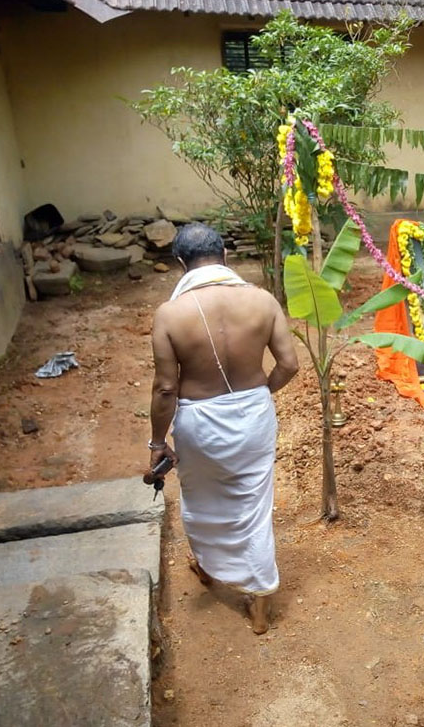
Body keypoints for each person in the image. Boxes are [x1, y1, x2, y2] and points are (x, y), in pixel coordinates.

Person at [147, 223, 299, 635]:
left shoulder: (170, 314)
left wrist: (158, 443)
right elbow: (289, 365)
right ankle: (261, 603)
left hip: (200, 422)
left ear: (181, 264)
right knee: (254, 507)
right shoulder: (263, 301)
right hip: (253, 416)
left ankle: (209, 566)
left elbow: (165, 388)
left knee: (203, 499)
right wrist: (259, 396)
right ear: (225, 257)